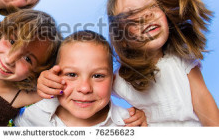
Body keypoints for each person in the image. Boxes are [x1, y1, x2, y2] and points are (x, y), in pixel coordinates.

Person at [106, 0, 219, 126]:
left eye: (152, 6)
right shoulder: (120, 80)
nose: (147, 14)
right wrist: (130, 113)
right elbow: (91, 97)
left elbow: (204, 103)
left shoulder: (181, 61)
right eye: (132, 14)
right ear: (122, 39)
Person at [16, 30, 147, 127]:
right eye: (72, 75)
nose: (85, 88)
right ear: (54, 76)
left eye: (97, 76)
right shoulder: (33, 114)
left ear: (113, 81)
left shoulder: (131, 123)